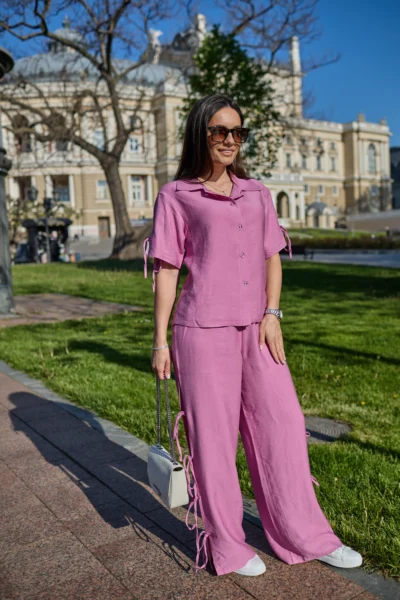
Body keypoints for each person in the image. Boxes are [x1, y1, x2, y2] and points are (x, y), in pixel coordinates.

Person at [143, 94, 363, 577]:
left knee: (283, 427)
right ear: (201, 133)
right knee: (213, 442)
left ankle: (306, 536)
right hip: (201, 331)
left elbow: (271, 256)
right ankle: (227, 545)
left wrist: (273, 313)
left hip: (258, 328)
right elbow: (167, 270)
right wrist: (159, 340)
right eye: (220, 130)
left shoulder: (257, 193)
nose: (230, 140)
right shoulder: (176, 195)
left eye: (237, 132)